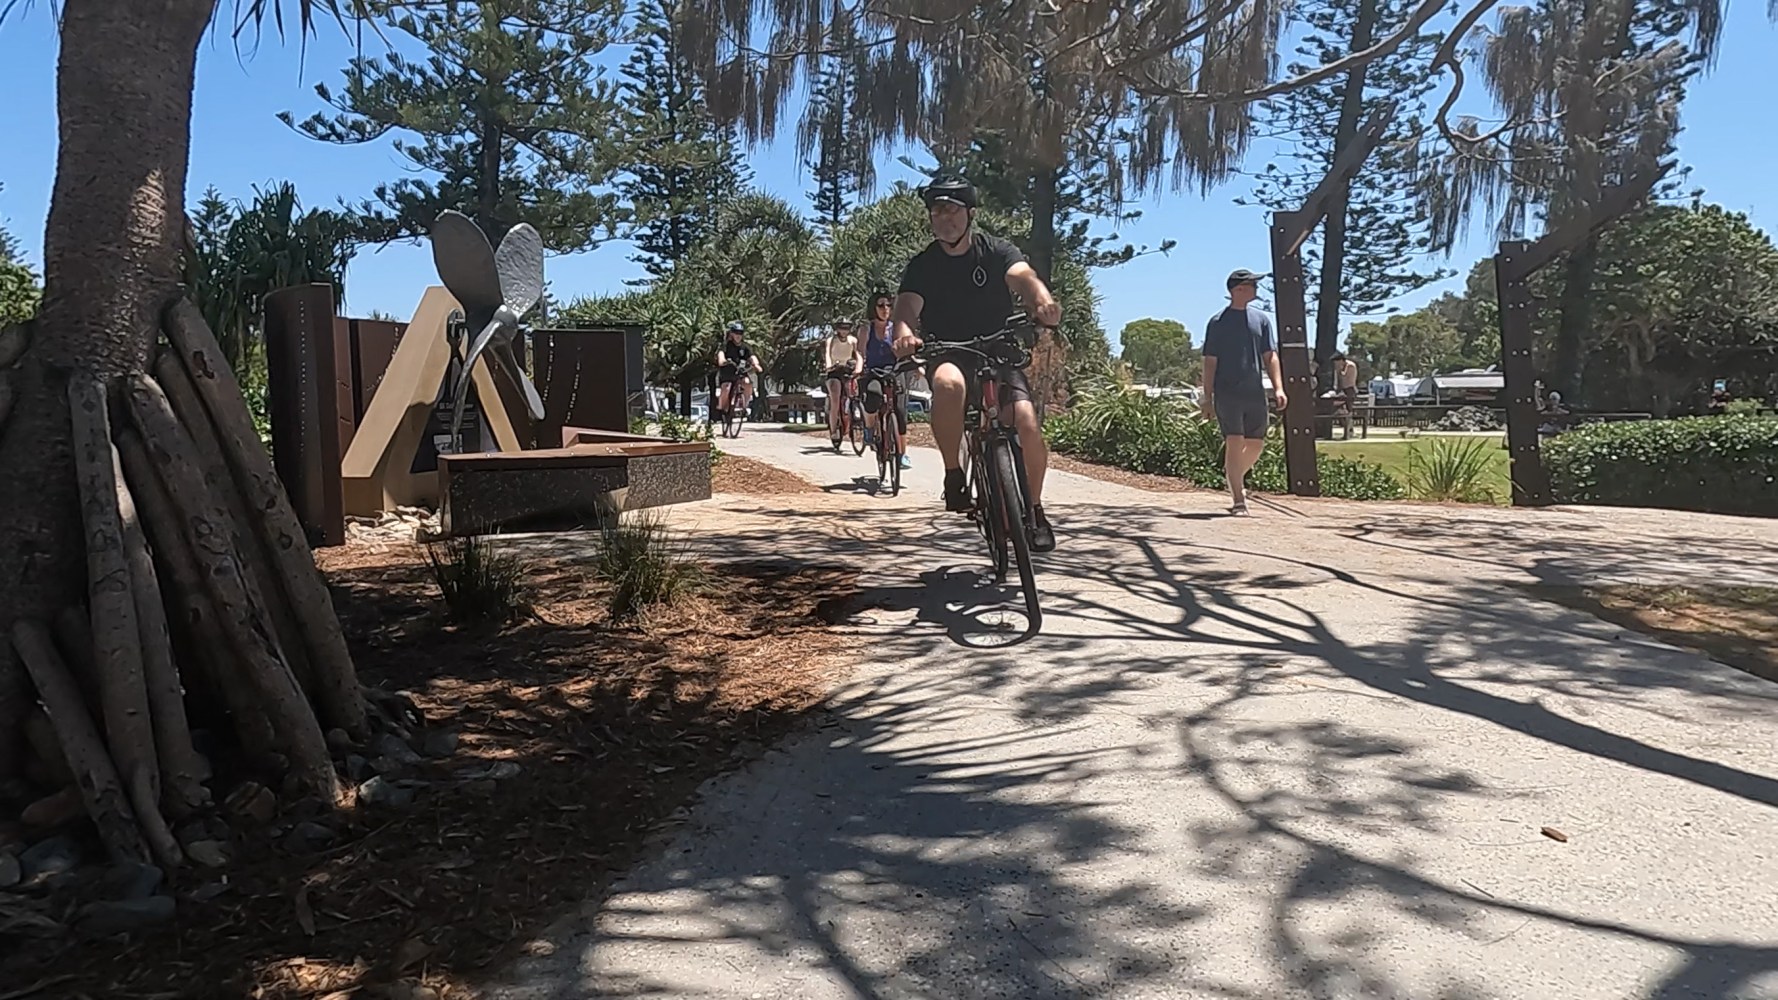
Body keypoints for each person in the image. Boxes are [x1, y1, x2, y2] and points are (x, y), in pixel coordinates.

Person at [890, 175, 1062, 552]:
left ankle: (1034, 510)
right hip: (949, 351)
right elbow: (906, 307)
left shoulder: (996, 251)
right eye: (937, 211)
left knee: (1027, 422)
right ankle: (954, 474)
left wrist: (1042, 303)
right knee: (948, 385)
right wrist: (903, 332)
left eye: (952, 210)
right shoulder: (923, 265)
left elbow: (1024, 277)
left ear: (970, 214)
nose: (945, 218)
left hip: (998, 350)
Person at [1200, 268, 1286, 516]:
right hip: (1227, 392)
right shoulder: (1218, 322)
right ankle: (1239, 499)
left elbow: (1270, 356)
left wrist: (1278, 387)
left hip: (1254, 392)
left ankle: (1233, 475)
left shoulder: (1261, 320)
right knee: (1234, 442)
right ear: (1237, 290)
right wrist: (1207, 396)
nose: (1256, 289)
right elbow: (1210, 361)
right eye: (1250, 285)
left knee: (1256, 444)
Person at [859, 291, 912, 470]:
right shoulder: (867, 329)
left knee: (900, 410)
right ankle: (869, 429)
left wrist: (916, 365)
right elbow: (860, 352)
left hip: (894, 370)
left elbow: (903, 349)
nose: (885, 309)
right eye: (881, 305)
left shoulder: (895, 327)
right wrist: (859, 367)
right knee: (872, 395)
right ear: (874, 308)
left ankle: (902, 454)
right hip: (873, 371)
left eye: (889, 305)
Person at [822, 318, 863, 449]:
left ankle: (855, 410)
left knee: (854, 390)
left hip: (847, 369)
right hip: (834, 371)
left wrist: (858, 367)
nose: (844, 331)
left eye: (847, 328)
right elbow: (827, 354)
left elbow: (858, 355)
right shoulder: (831, 340)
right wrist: (829, 365)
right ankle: (834, 431)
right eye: (842, 327)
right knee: (835, 399)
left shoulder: (853, 341)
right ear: (837, 328)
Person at [714, 321, 761, 424]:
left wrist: (756, 364)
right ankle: (722, 407)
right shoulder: (726, 345)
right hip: (727, 373)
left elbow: (752, 356)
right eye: (736, 333)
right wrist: (722, 361)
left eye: (740, 333)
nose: (738, 335)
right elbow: (721, 354)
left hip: (740, 372)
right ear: (731, 334)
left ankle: (744, 406)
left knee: (748, 383)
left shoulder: (745, 347)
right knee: (726, 388)